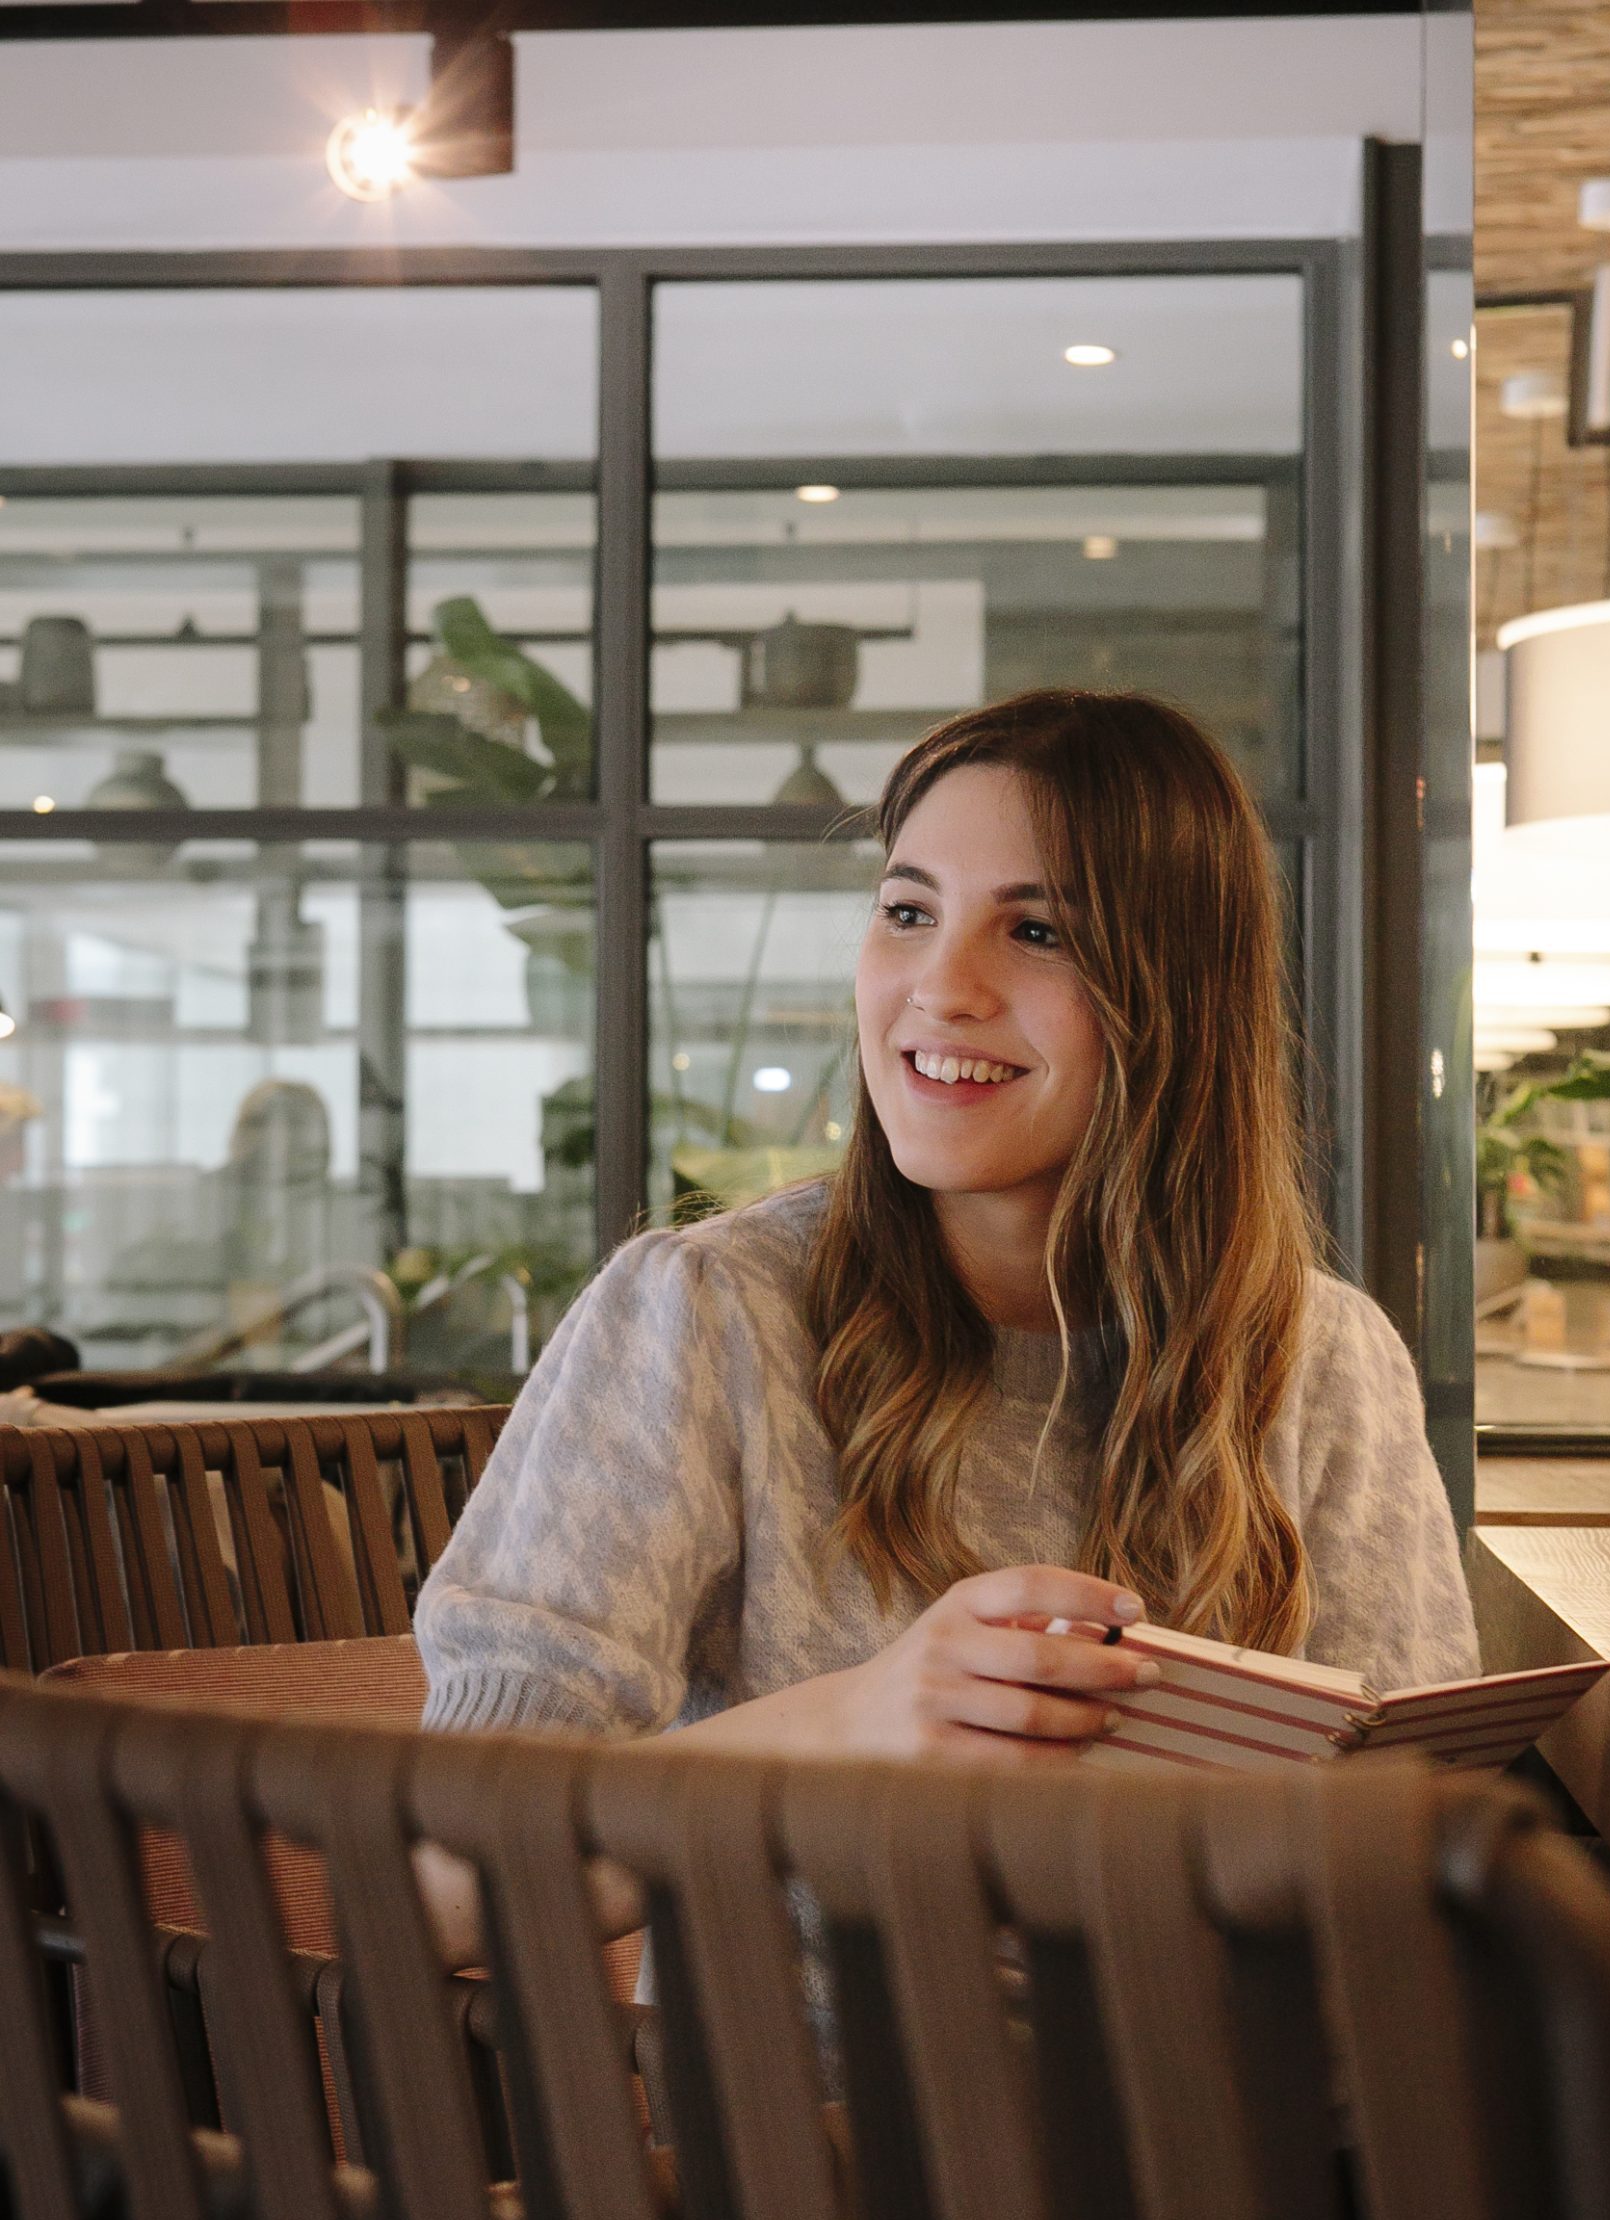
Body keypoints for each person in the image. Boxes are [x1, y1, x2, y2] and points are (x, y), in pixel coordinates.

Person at [414, 689, 1477, 1942]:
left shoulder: (1324, 1355)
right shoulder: (706, 1314)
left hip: (1231, 2114)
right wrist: (854, 1725)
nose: (940, 986)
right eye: (907, 912)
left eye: (1035, 932)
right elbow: (452, 1883)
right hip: (823, 2124)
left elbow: (1423, 1843)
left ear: (1177, 996)